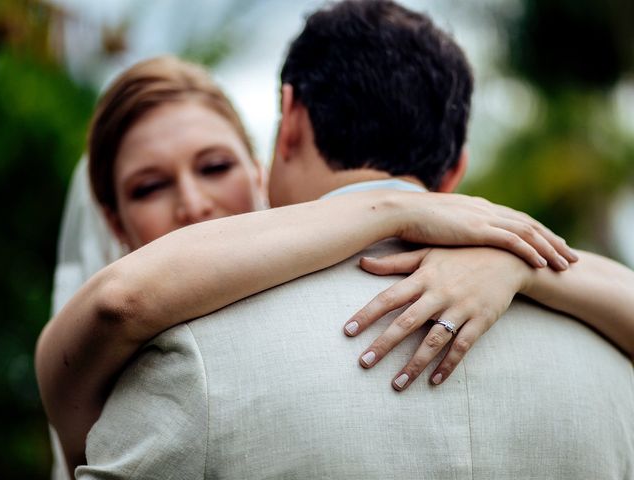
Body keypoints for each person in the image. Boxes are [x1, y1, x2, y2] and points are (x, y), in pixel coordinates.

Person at [43, 2, 633, 478]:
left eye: (215, 166)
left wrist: (515, 264)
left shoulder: (189, 360)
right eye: (148, 185)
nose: (194, 204)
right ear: (454, 173)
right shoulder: (610, 364)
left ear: (288, 121)